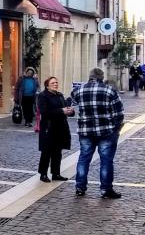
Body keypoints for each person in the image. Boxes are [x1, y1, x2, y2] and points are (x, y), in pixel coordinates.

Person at [71, 67, 124, 198]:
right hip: (106, 131)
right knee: (106, 160)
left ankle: (80, 187)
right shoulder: (109, 90)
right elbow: (119, 113)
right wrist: (116, 128)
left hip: (85, 131)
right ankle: (106, 189)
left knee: (84, 159)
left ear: (90, 76)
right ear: (102, 77)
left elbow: (71, 102)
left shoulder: (78, 90)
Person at [37, 76, 74, 182]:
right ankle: (43, 174)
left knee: (57, 152)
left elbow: (65, 108)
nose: (55, 84)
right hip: (48, 127)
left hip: (60, 127)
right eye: (53, 83)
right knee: (46, 151)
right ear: (47, 85)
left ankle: (56, 173)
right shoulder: (43, 96)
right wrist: (61, 111)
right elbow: (45, 112)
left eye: (56, 83)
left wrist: (70, 111)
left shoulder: (60, 95)